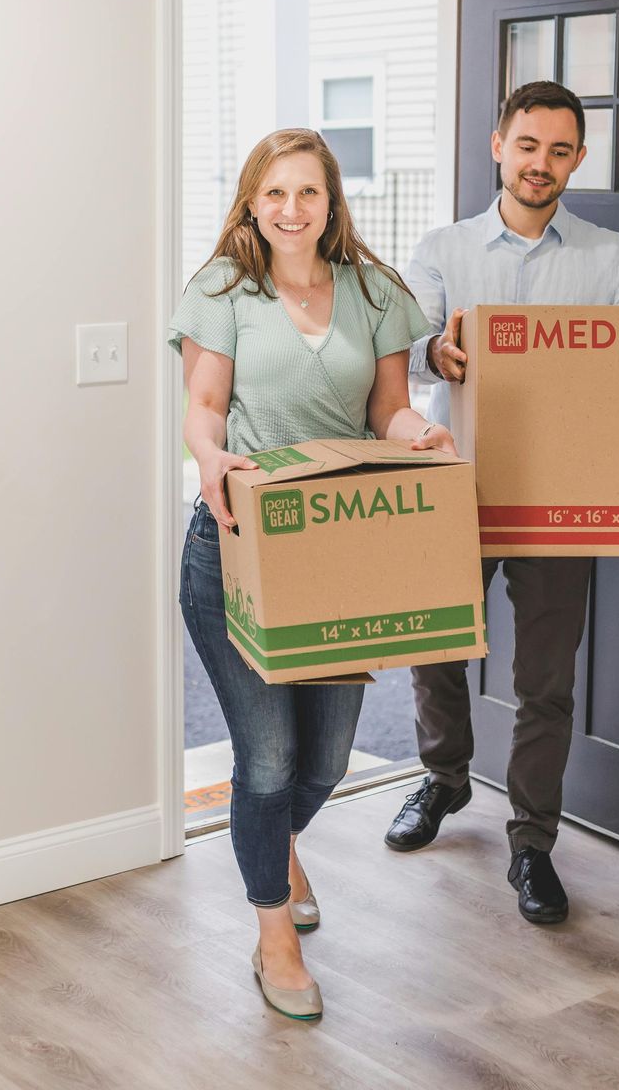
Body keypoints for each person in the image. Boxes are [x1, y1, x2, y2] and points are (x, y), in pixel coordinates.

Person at [171, 127, 451, 1020]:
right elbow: (204, 410)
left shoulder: (375, 292)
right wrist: (210, 460)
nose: (292, 210)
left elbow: (390, 412)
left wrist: (422, 438)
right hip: (237, 549)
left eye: (309, 193)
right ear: (252, 200)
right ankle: (273, 939)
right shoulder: (223, 290)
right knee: (268, 759)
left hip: (336, 553)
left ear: (334, 202)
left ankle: (278, 845)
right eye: (276, 193)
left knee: (326, 761)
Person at [385, 80, 619, 926]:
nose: (542, 164)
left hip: (559, 498)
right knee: (435, 644)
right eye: (528, 145)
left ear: (579, 158)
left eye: (560, 150)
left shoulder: (609, 258)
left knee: (545, 678)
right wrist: (439, 349)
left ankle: (533, 843)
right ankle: (444, 778)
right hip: (455, 479)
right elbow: (406, 348)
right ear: (499, 144)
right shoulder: (442, 247)